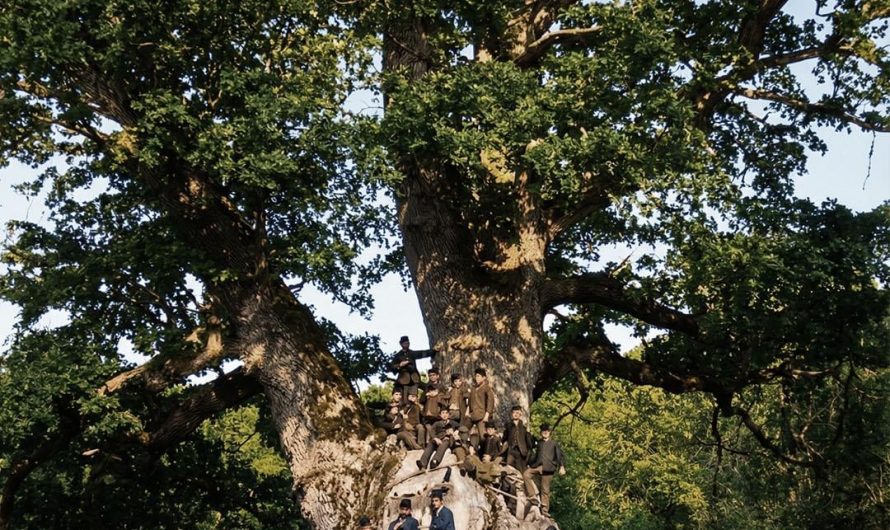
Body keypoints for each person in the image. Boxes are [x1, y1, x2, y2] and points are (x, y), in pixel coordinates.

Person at [523, 423, 566, 516]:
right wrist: (529, 464)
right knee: (526, 474)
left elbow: (559, 455)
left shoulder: (554, 443)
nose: (545, 433)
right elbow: (535, 456)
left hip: (549, 468)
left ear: (549, 433)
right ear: (541, 433)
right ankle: (532, 495)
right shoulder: (539, 443)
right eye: (543, 431)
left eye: (546, 431)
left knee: (545, 490)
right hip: (538, 466)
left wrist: (561, 466)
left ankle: (545, 511)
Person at [390, 336, 435, 403]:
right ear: (401, 344)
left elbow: (422, 353)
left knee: (414, 399)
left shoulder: (412, 353)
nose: (406, 344)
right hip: (404, 382)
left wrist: (433, 351)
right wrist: (400, 365)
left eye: (408, 343)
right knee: (405, 401)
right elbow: (391, 367)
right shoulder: (398, 355)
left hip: (414, 379)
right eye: (405, 343)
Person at [467, 367, 495, 448]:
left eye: (479, 376)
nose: (477, 378)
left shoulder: (487, 388)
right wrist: (467, 412)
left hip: (482, 415)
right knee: (463, 430)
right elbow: (470, 402)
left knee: (483, 437)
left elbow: (491, 401)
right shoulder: (473, 388)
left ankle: (484, 453)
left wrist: (487, 415)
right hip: (472, 415)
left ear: (484, 378)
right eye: (476, 376)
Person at [503, 404, 533, 472]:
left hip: (521, 452)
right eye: (514, 412)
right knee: (507, 469)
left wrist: (528, 454)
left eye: (517, 413)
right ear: (511, 414)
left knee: (522, 471)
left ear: (520, 415)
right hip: (511, 451)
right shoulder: (508, 426)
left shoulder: (523, 428)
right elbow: (504, 438)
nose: (515, 414)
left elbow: (529, 443)